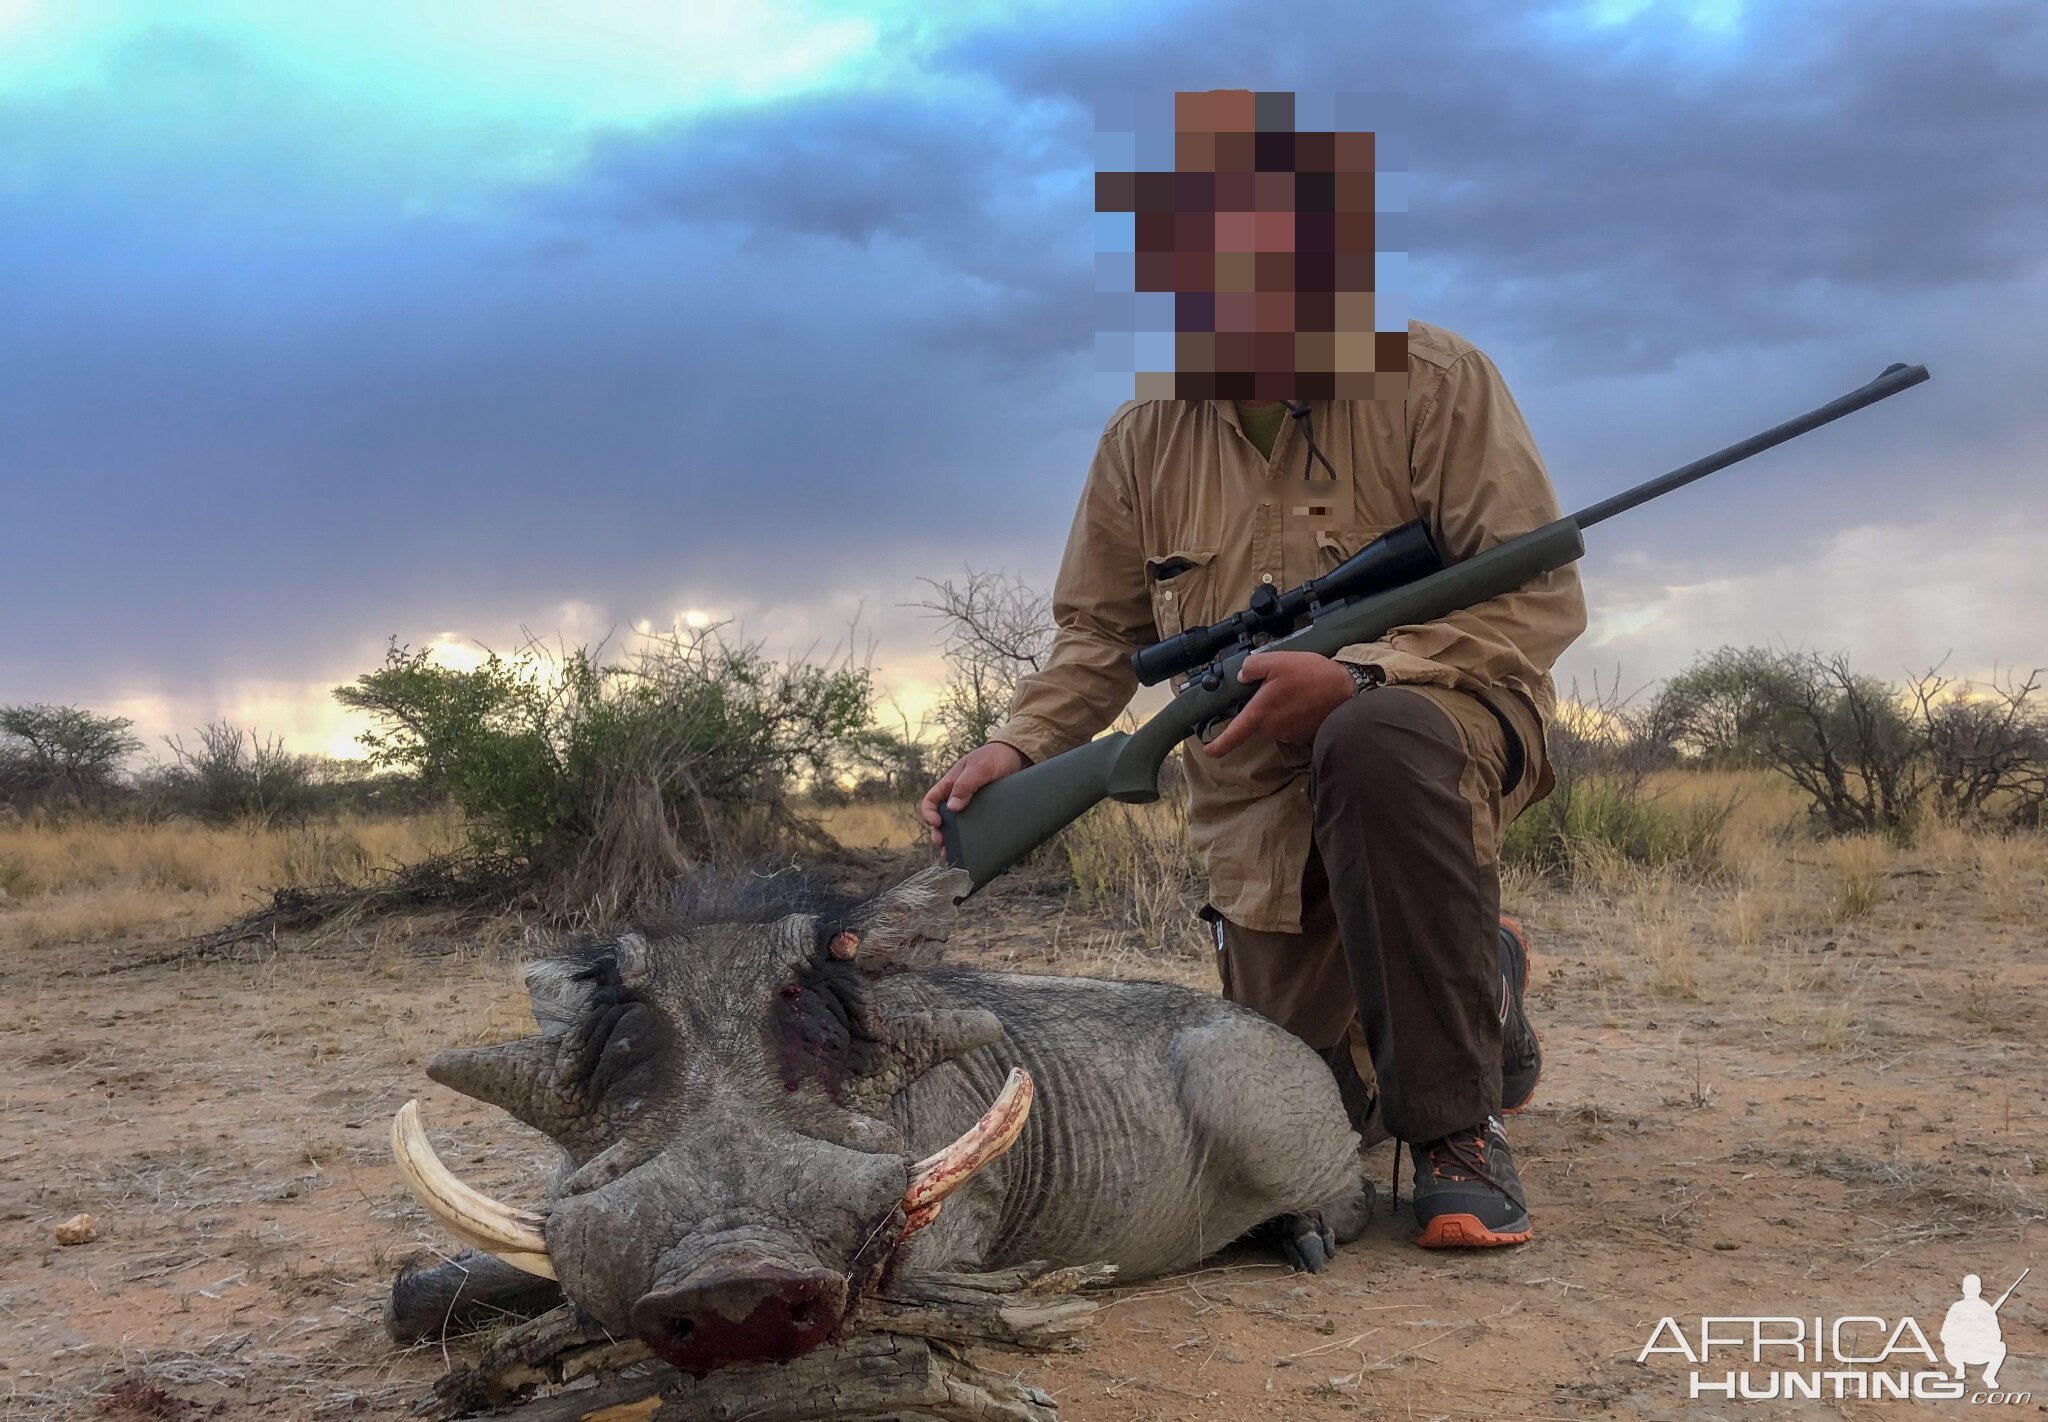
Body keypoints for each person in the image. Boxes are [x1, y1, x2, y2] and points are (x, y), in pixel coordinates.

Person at [919, 341, 1587, 1248]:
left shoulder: (1435, 380)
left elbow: (1536, 597)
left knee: (1371, 737)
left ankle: (1454, 1132)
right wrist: (1018, 744)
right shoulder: (1142, 433)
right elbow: (1100, 638)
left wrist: (1356, 675)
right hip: (1254, 798)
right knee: (1303, 1115)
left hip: (1435, 726)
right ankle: (1483, 987)